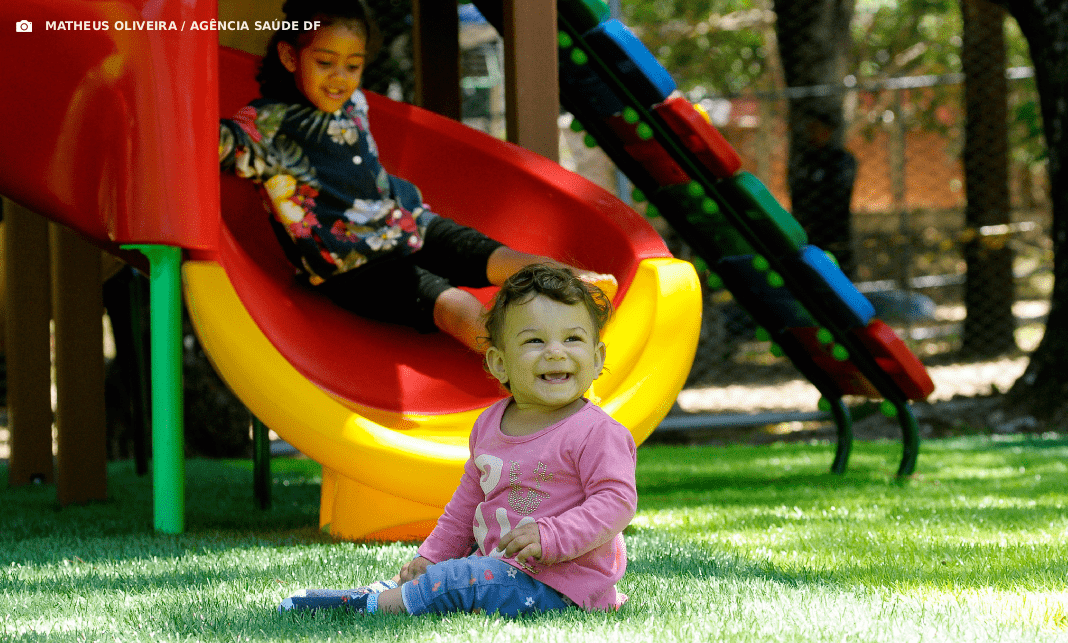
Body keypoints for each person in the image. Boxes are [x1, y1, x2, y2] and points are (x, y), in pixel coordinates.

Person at [219, 0, 616, 351]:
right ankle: (515, 357)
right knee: (448, 302)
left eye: (353, 65)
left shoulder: (354, 101)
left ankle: (578, 287)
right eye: (325, 63)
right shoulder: (264, 125)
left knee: (488, 254)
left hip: (405, 223)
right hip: (353, 264)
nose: (340, 76)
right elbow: (216, 146)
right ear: (290, 57)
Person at [279, 263, 638, 616]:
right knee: (459, 573)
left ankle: (369, 608)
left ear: (596, 358)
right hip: (497, 569)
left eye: (572, 338)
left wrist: (552, 536)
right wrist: (430, 556)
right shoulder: (489, 425)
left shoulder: (597, 432)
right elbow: (465, 508)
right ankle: (386, 591)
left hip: (561, 585)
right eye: (534, 340)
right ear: (500, 364)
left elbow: (616, 501)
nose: (556, 351)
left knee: (463, 579)